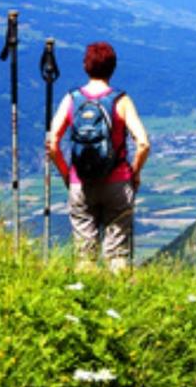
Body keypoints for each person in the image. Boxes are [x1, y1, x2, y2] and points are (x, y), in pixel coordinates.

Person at [47, 41, 151, 273]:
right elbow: (143, 143)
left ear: (86, 66)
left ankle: (86, 297)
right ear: (113, 67)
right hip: (117, 183)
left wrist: (66, 174)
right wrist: (134, 173)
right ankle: (121, 299)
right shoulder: (120, 101)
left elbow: (52, 144)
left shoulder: (72, 99)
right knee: (118, 252)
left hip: (80, 183)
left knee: (85, 253)